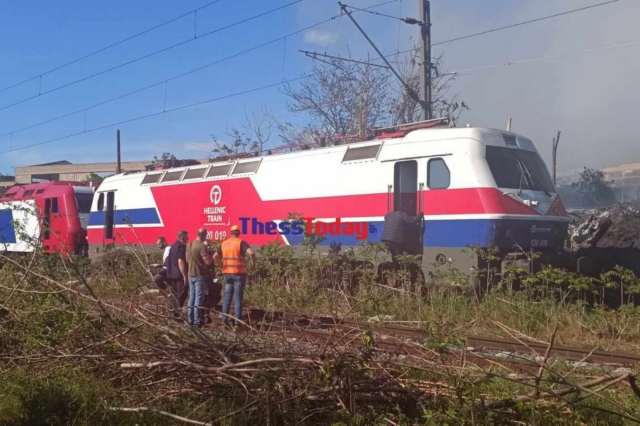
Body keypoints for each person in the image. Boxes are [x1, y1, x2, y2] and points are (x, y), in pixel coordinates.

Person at [214, 225, 256, 328]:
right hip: (239, 273)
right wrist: (253, 264)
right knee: (238, 298)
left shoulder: (224, 243)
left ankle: (224, 322)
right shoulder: (241, 242)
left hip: (227, 274)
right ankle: (237, 323)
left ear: (231, 232)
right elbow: (251, 253)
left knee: (227, 298)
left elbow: (215, 256)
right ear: (239, 233)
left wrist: (221, 265)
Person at [186, 228, 214, 327]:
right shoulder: (201, 246)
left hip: (190, 274)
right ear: (204, 235)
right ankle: (197, 321)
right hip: (198, 275)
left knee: (191, 297)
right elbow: (207, 261)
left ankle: (190, 319)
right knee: (198, 297)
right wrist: (211, 255)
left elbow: (186, 259)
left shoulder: (189, 244)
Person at [165, 230, 189, 316]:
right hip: (179, 275)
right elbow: (181, 262)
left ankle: (173, 312)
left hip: (171, 274)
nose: (188, 239)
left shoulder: (173, 246)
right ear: (182, 237)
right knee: (181, 295)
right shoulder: (182, 247)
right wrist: (185, 276)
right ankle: (177, 314)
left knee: (175, 294)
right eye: (186, 237)